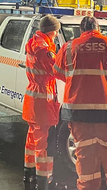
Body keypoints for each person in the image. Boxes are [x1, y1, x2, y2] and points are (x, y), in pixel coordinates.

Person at [53, 16, 107, 190]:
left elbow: (59, 73)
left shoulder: (69, 47)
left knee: (85, 161)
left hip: (79, 114)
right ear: (98, 28)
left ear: (81, 30)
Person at [23, 15, 61, 190]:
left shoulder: (34, 44)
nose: (56, 35)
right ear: (52, 30)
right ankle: (43, 180)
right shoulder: (44, 49)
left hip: (33, 99)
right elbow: (58, 69)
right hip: (43, 101)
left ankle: (28, 173)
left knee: (32, 139)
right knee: (44, 143)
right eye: (56, 32)